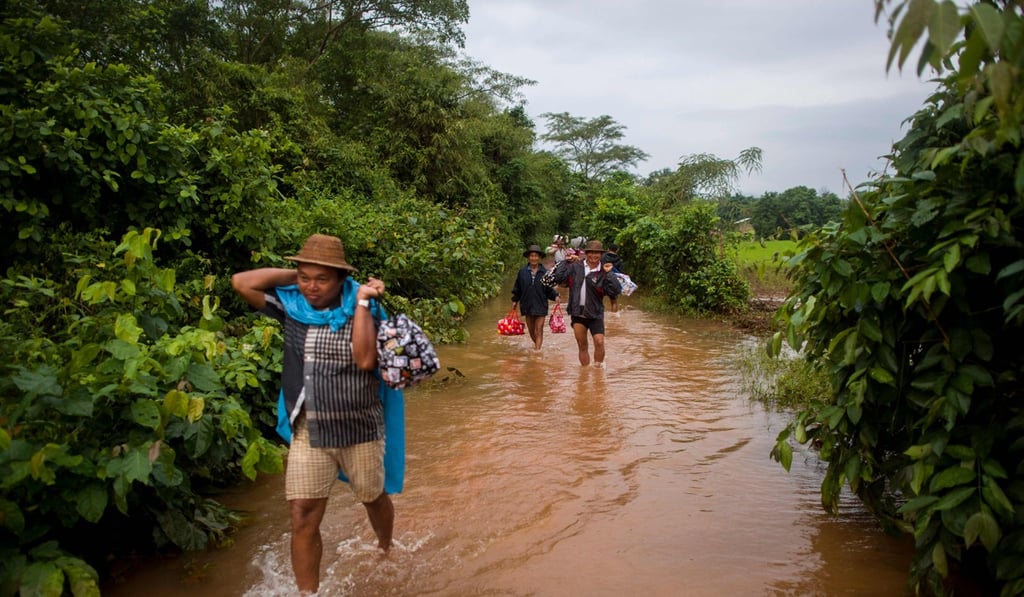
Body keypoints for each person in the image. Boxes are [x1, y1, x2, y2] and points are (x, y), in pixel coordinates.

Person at [231, 234, 393, 594]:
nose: (312, 287)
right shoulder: (292, 305)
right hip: (309, 429)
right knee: (302, 514)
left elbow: (367, 360)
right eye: (305, 277)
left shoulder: (362, 307)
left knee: (372, 497)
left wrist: (363, 300)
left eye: (322, 279)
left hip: (359, 427)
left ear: (341, 279)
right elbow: (241, 282)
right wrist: (298, 279)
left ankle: (385, 548)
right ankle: (309, 593)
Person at [551, 240, 622, 367]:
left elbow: (616, 290)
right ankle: (585, 372)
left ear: (601, 255)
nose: (593, 256)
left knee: (599, 342)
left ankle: (598, 369)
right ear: (586, 253)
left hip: (595, 313)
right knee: (582, 345)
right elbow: (559, 279)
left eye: (597, 253)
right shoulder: (575, 266)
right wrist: (566, 261)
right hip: (578, 313)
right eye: (591, 253)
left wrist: (609, 273)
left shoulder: (604, 271)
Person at [511, 244, 560, 350]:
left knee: (539, 329)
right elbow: (517, 287)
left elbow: (549, 289)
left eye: (536, 256)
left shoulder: (545, 273)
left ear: (539, 258)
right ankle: (537, 347)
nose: (534, 258)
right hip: (527, 305)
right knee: (531, 331)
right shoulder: (522, 272)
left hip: (541, 304)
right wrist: (515, 300)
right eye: (532, 256)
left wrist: (555, 296)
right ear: (528, 257)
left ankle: (537, 353)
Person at [601, 243, 625, 313]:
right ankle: (614, 317)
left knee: (598, 299)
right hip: (614, 281)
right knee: (613, 301)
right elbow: (621, 274)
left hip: (603, 279)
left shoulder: (603, 257)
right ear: (617, 250)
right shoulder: (620, 260)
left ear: (608, 249)